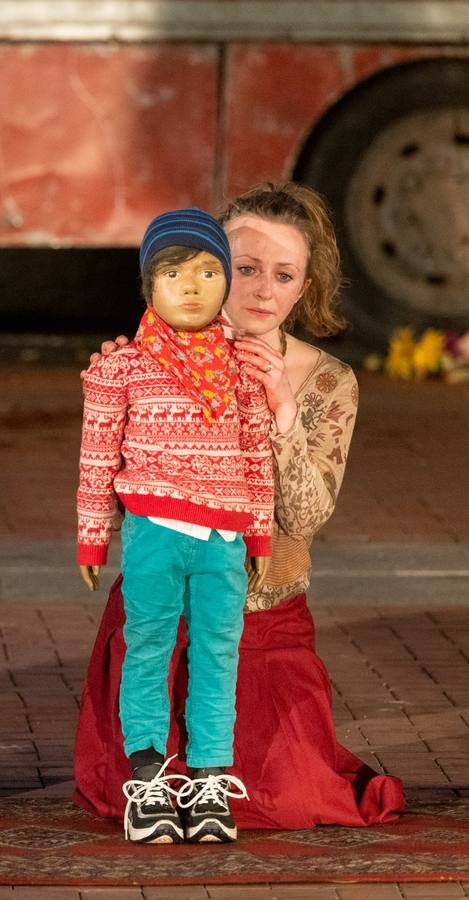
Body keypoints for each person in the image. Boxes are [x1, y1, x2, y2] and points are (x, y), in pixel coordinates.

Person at [74, 182, 406, 831]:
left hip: (262, 618)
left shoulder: (329, 381)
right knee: (141, 788)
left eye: (282, 275)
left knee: (278, 798)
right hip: (164, 604)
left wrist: (282, 411)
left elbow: (305, 518)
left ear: (305, 286)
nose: (260, 290)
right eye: (245, 268)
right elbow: (112, 465)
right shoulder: (153, 357)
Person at [78, 208, 274, 844]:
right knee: (150, 647)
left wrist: (260, 532)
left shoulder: (241, 368)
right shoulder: (123, 367)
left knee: (218, 652)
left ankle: (211, 779)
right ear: (148, 288)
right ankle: (148, 779)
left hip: (225, 538)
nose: (190, 286)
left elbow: (256, 450)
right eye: (172, 273)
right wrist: (92, 534)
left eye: (208, 270)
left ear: (226, 284)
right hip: (155, 531)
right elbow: (98, 454)